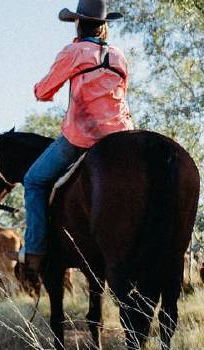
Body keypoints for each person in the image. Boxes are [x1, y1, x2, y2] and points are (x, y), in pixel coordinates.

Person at [21, 0, 133, 275]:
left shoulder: (74, 51)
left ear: (78, 22)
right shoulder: (119, 56)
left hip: (82, 137)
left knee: (33, 181)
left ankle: (35, 250)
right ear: (104, 25)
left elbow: (43, 92)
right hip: (121, 137)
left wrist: (40, 88)